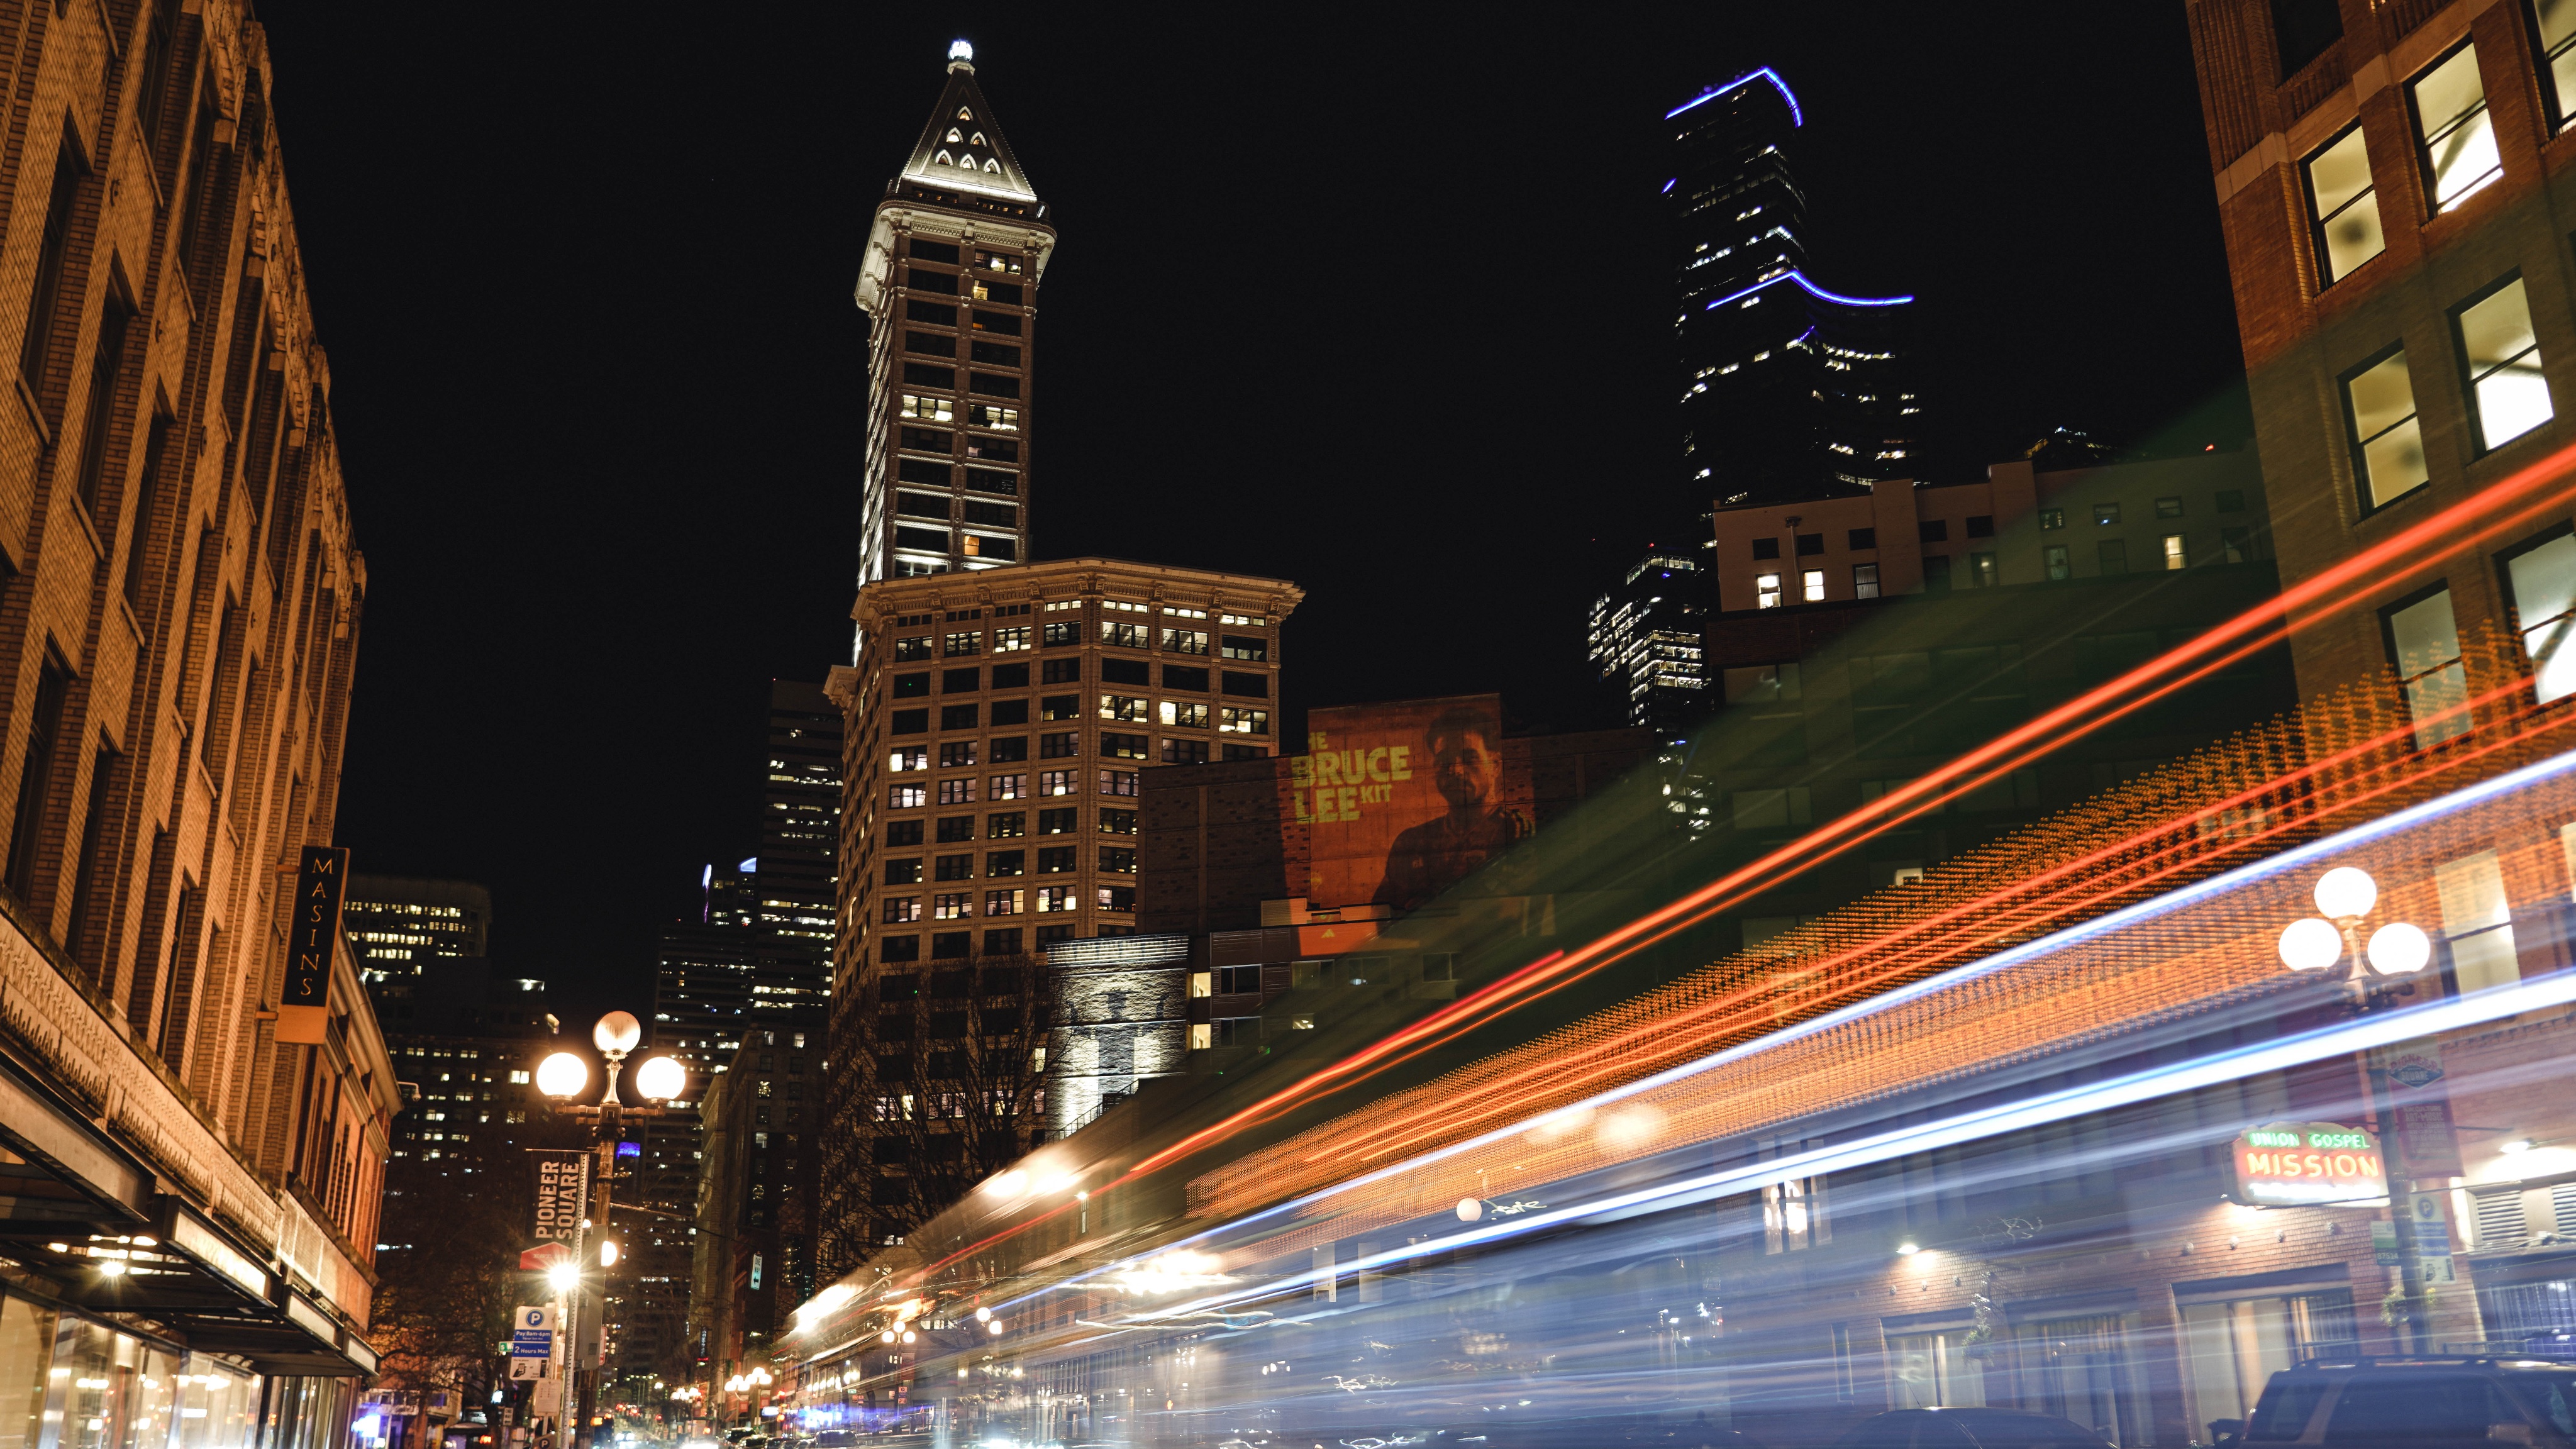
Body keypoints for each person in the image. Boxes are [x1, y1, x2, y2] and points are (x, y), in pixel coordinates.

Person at [1372, 705, 1527, 909]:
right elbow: (1381, 914)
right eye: (1444, 760)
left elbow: (1506, 912)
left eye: (1469, 758)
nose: (1455, 770)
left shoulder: (1514, 830)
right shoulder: (1411, 842)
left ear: (1495, 765)